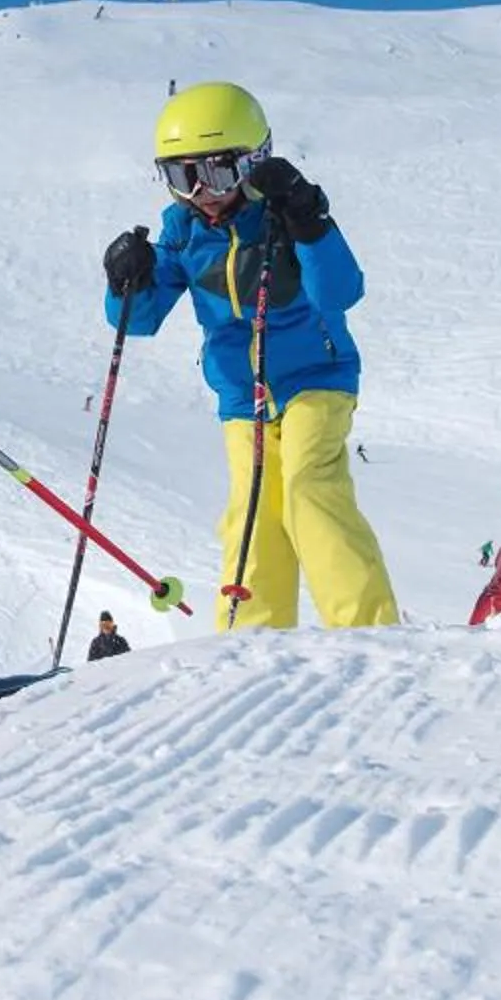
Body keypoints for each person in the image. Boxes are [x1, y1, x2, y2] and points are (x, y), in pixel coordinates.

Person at [101, 82, 399, 631]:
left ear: (252, 162)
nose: (202, 193)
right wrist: (126, 280)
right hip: (243, 396)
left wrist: (309, 223)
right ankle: (253, 638)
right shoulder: (183, 232)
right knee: (252, 510)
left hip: (316, 377)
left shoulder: (283, 214)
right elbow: (138, 321)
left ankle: (367, 627)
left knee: (309, 487)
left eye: (214, 174)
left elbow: (340, 292)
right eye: (181, 178)